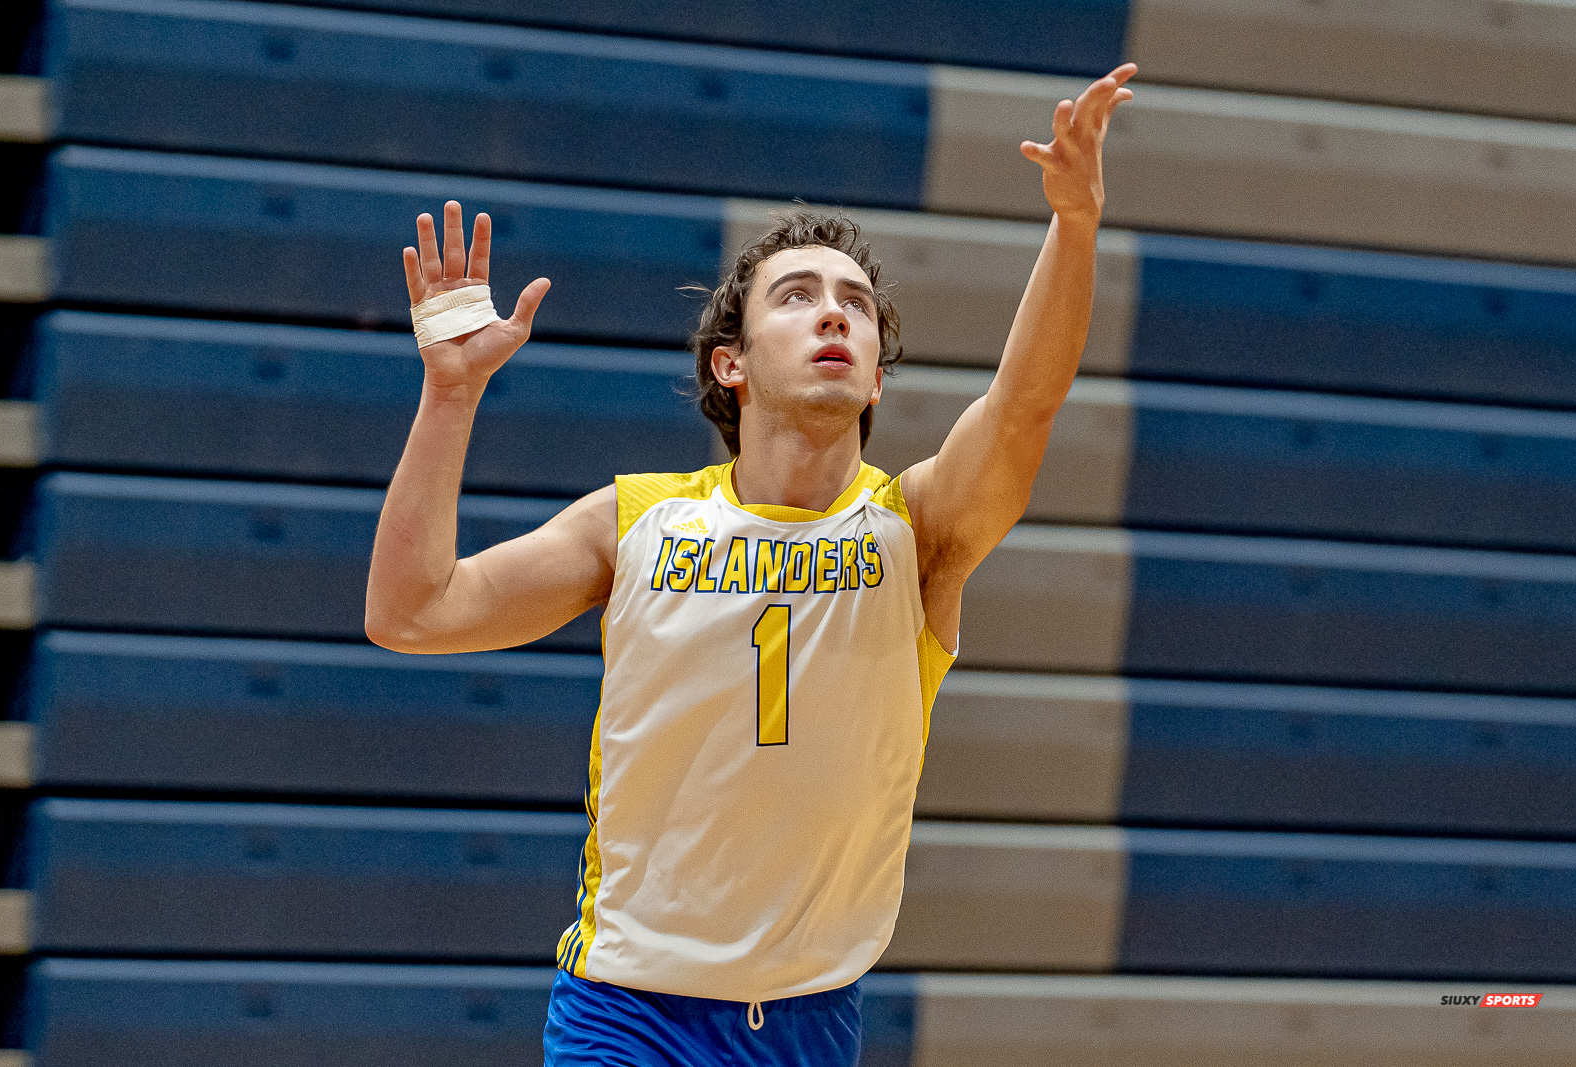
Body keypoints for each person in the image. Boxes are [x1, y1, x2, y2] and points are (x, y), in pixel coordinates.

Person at [365, 61, 1137, 1067]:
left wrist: (1073, 224)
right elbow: (411, 613)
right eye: (799, 295)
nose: (833, 314)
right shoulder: (635, 519)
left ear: (872, 374)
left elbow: (1024, 405)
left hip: (810, 1017)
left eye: (855, 304)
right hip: (626, 1009)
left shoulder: (919, 529)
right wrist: (449, 399)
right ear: (730, 360)